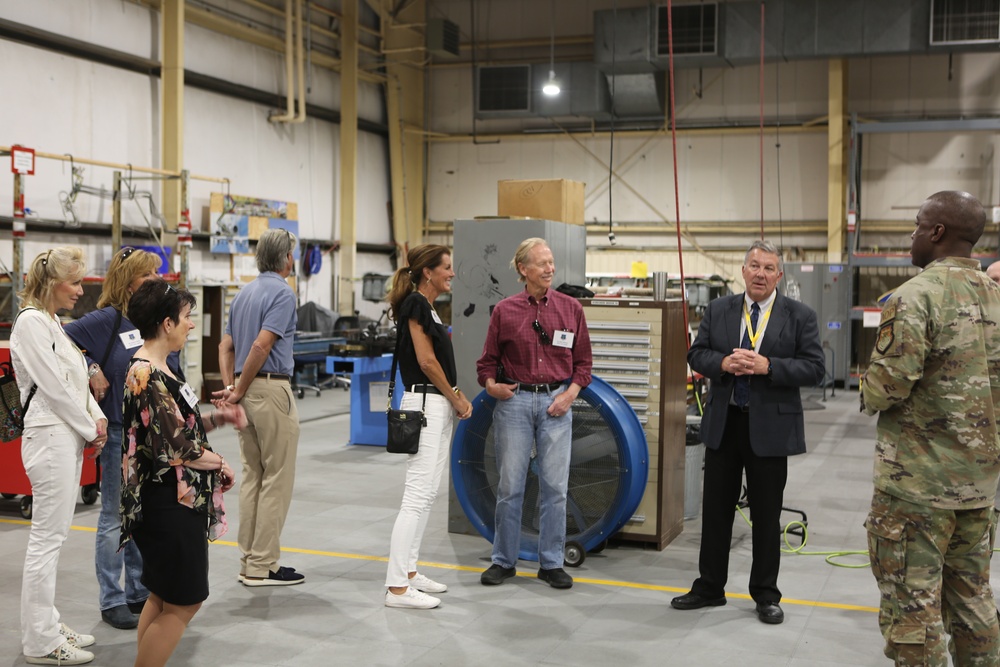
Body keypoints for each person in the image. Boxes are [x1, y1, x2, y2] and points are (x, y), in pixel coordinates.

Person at [861, 191, 1000, 666]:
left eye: (918, 226)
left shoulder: (914, 297)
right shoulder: (997, 297)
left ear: (937, 233)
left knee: (911, 611)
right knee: (973, 602)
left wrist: (868, 377)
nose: (913, 236)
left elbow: (884, 390)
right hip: (978, 488)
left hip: (917, 489)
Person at [672, 239, 824, 625]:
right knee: (716, 512)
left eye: (768, 267)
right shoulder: (720, 309)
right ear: (743, 271)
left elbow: (813, 368)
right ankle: (709, 586)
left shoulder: (800, 315)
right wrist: (723, 362)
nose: (760, 273)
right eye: (754, 265)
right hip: (726, 424)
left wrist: (768, 366)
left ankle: (766, 594)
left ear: (779, 275)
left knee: (767, 515)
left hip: (771, 428)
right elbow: (696, 354)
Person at [119, 279, 244, 667]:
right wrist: (219, 462)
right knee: (186, 601)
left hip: (166, 502)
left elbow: (174, 428)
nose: (192, 324)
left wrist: (216, 419)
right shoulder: (148, 375)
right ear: (166, 323)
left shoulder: (157, 369)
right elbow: (179, 448)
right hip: (168, 505)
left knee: (161, 596)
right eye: (187, 317)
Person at [476, 238, 592, 590]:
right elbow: (486, 363)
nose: (549, 269)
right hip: (514, 403)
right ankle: (503, 561)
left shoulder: (571, 309)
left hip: (557, 403)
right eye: (541, 263)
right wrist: (492, 386)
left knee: (554, 488)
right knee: (510, 486)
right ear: (523, 269)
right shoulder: (505, 311)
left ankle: (551, 563)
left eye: (551, 262)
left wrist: (569, 396)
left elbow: (584, 365)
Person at [13, 247, 108, 666]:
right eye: (74, 283)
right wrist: (91, 429)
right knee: (45, 543)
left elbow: (78, 380)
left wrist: (97, 420)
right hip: (49, 437)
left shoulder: (53, 322)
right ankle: (39, 641)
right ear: (53, 284)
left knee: (55, 538)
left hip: (65, 436)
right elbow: (53, 387)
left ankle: (47, 622)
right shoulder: (31, 323)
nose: (80, 290)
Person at [64, 247, 162, 630]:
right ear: (128, 281)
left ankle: (138, 591)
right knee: (112, 517)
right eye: (148, 275)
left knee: (138, 513)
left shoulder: (147, 320)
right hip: (118, 430)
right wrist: (90, 367)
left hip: (145, 431)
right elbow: (61, 339)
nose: (155, 280)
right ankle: (111, 598)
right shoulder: (107, 319)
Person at [383, 245, 473, 610]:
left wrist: (451, 396)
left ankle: (409, 572)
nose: (452, 273)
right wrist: (455, 396)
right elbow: (425, 360)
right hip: (424, 404)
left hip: (435, 404)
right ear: (428, 272)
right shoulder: (417, 305)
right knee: (416, 496)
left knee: (428, 494)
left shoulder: (429, 308)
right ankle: (396, 588)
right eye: (447, 268)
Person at [215, 228, 303, 586]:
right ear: (285, 258)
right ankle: (262, 564)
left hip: (246, 390)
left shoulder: (243, 294)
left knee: (254, 474)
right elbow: (260, 347)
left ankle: (248, 559)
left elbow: (226, 347)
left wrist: (232, 387)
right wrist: (242, 388)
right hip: (269, 390)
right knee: (277, 478)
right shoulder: (283, 293)